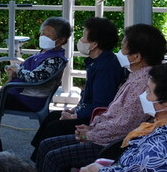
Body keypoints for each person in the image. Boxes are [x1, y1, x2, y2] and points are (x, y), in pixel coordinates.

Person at [36, 24, 167, 172]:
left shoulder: (141, 85)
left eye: (123, 48)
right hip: (102, 135)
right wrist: (91, 127)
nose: (119, 52)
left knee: (54, 157)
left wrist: (88, 134)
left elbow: (122, 127)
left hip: (109, 146)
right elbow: (114, 114)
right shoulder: (136, 77)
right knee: (46, 145)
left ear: (136, 57)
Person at [0, 17, 71, 151]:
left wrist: (18, 71)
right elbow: (28, 70)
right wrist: (15, 70)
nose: (43, 36)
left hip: (28, 99)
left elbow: (35, 77)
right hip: (19, 92)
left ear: (61, 40)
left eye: (48, 35)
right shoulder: (45, 53)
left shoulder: (55, 59)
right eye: (42, 33)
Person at [31, 17, 125, 159]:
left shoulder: (106, 67)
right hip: (88, 113)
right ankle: (37, 159)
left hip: (95, 121)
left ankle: (41, 165)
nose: (80, 40)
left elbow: (100, 104)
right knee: (52, 117)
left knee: (55, 127)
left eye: (83, 37)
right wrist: (74, 110)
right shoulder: (98, 62)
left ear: (94, 44)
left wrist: (76, 115)